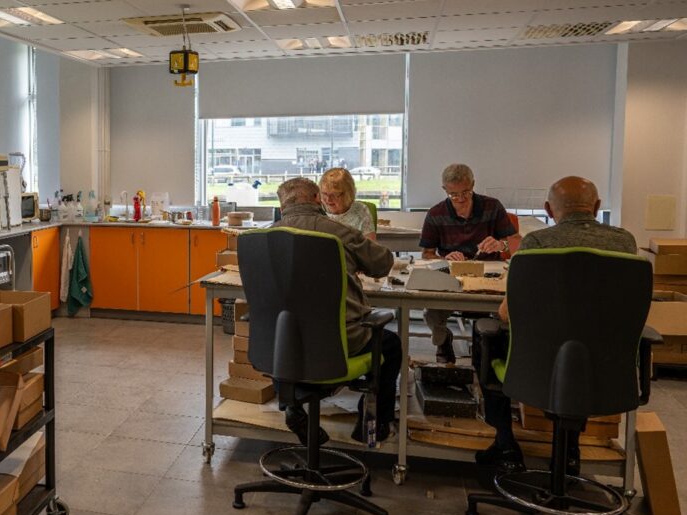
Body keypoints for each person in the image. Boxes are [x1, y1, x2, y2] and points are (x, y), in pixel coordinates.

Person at [475, 176, 638, 473]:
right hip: (606, 366)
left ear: (549, 210)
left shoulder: (537, 244)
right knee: (583, 343)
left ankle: (505, 444)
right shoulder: (624, 243)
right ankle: (569, 450)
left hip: (539, 366)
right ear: (597, 207)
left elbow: (507, 314)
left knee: (486, 337)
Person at [272, 178, 400, 443]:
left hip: (281, 345)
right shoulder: (338, 232)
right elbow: (383, 263)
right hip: (338, 344)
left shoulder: (263, 238)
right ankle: (371, 421)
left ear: (282, 206)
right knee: (391, 344)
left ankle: (291, 404)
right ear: (317, 198)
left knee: (290, 331)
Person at [419, 164, 520, 363]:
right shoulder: (436, 213)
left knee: (509, 308)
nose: (461, 199)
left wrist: (501, 244)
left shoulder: (492, 207)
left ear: (473, 185)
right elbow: (427, 254)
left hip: (489, 275)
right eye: (454, 195)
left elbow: (517, 242)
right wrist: (445, 259)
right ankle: (443, 340)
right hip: (452, 276)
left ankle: (491, 348)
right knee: (431, 311)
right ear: (445, 190)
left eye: (466, 192)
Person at [319, 168, 376, 240]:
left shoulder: (361, 210)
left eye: (334, 194)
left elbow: (370, 244)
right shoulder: (316, 209)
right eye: (324, 193)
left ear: (348, 194)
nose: (328, 199)